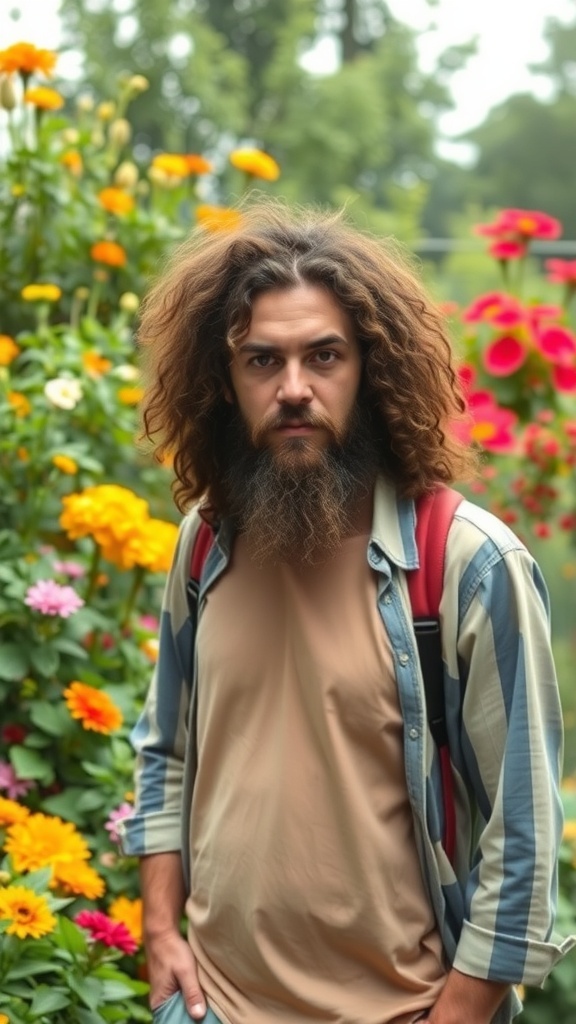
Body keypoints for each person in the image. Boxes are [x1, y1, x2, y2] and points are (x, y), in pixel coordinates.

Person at [120, 199, 574, 1024]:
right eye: (262, 361)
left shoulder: (469, 566)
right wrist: (159, 928)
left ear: (371, 367)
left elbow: (527, 831)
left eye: (323, 356)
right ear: (224, 382)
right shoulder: (205, 542)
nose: (294, 388)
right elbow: (167, 747)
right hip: (210, 1007)